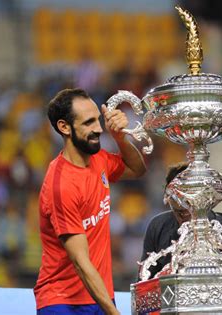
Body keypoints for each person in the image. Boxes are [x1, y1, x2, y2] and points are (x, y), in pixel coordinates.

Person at [34, 88, 147, 315]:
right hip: (62, 302)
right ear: (64, 127)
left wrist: (120, 138)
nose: (98, 128)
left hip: (99, 295)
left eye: (98, 119)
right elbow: (81, 263)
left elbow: (138, 169)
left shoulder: (99, 159)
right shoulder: (61, 185)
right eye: (88, 123)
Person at [140, 162, 222, 280]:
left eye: (191, 210)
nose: (186, 218)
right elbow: (144, 281)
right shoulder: (158, 225)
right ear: (169, 199)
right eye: (180, 212)